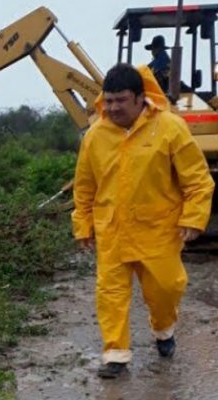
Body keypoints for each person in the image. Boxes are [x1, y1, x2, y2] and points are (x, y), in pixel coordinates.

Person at [71, 63, 214, 379]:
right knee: (110, 293)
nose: (113, 107)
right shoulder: (95, 135)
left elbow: (198, 180)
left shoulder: (170, 128)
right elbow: (84, 186)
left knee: (167, 287)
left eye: (120, 100)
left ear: (139, 98)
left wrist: (193, 217)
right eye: (108, 100)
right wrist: (83, 225)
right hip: (113, 231)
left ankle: (164, 329)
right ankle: (115, 355)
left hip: (158, 230)